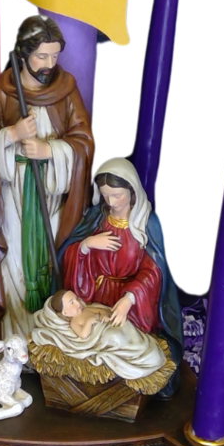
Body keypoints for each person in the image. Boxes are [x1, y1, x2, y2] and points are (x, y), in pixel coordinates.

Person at [0, 15, 94, 342]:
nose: (49, 64)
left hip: (52, 197)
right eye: (42, 56)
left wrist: (50, 150)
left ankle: (50, 339)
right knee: (15, 264)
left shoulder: (66, 89)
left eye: (54, 56)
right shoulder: (5, 91)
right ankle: (18, 339)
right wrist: (11, 134)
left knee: (51, 261)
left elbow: (84, 142)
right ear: (24, 53)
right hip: (12, 197)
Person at [58, 157, 183, 397]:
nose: (111, 202)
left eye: (117, 195)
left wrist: (129, 299)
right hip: (95, 295)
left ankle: (125, 380)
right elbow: (69, 254)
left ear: (131, 191)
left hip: (132, 302)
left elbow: (153, 271)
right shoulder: (96, 217)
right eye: (105, 196)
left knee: (123, 340)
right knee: (87, 336)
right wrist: (86, 244)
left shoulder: (146, 223)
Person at [31, 289, 169, 385]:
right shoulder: (74, 322)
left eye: (76, 299)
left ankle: (139, 348)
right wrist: (90, 321)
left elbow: (100, 311)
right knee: (114, 336)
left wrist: (103, 315)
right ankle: (137, 352)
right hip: (102, 336)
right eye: (71, 303)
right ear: (65, 313)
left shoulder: (86, 309)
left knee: (124, 327)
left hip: (108, 327)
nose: (77, 303)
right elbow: (83, 335)